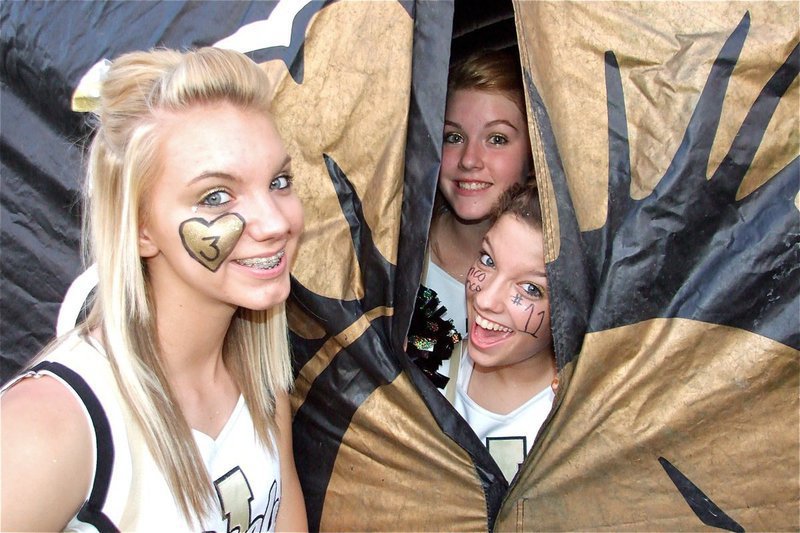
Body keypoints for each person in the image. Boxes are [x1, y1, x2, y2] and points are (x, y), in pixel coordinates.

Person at [0, 47, 307, 531]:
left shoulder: (263, 385)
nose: (275, 222)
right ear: (141, 227)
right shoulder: (49, 427)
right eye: (215, 196)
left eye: (280, 181)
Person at [412, 48, 533, 394]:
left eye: (496, 139)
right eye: (454, 137)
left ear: (532, 155)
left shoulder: (558, 277)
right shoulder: (397, 260)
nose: (469, 160)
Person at [454, 182, 556, 484]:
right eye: (488, 260)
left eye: (530, 289)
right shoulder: (426, 369)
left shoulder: (573, 423)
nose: (485, 299)